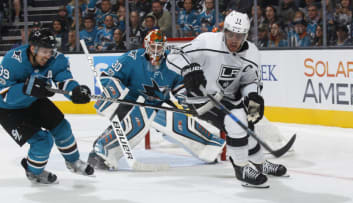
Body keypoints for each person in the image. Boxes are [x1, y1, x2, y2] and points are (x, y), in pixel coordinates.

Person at [166, 11, 287, 188]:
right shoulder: (207, 42)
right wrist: (188, 69)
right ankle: (241, 168)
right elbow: (173, 57)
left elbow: (251, 80)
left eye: (239, 36)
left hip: (229, 98)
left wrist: (253, 96)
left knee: (248, 123)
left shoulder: (252, 53)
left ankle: (260, 164)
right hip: (202, 97)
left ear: (246, 35)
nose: (234, 39)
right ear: (225, 31)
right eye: (230, 34)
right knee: (235, 122)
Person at [87, 29, 225, 170]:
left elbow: (181, 91)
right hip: (129, 103)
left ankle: (208, 149)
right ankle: (102, 150)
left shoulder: (173, 62)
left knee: (177, 122)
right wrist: (112, 93)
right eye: (153, 46)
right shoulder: (131, 58)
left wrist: (192, 99)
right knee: (134, 123)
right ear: (146, 45)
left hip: (157, 106)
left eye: (159, 47)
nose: (156, 50)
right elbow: (106, 78)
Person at [0, 28, 94, 184]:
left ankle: (74, 162)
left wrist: (75, 90)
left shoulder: (57, 60)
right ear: (32, 48)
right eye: (44, 51)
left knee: (62, 127)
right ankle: (34, 172)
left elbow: (64, 81)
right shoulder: (12, 61)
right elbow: (4, 95)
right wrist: (26, 89)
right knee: (43, 142)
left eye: (50, 51)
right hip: (8, 109)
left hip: (34, 101)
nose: (48, 55)